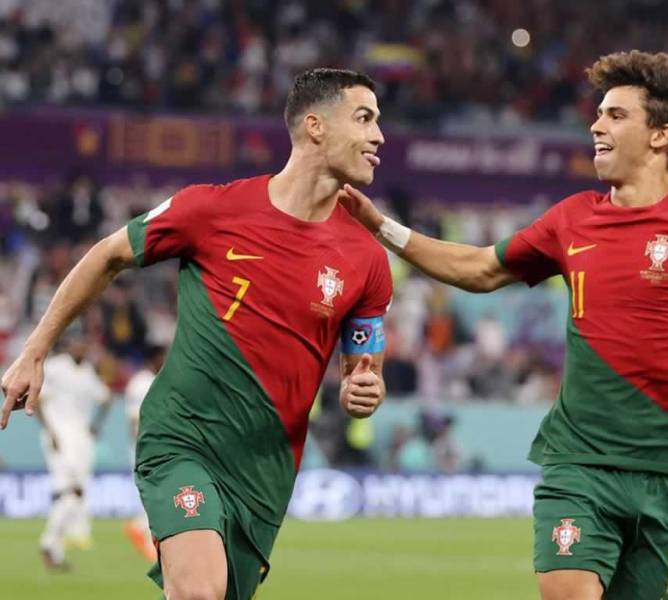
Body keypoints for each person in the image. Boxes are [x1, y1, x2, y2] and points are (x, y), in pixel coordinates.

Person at [339, 50, 668, 599]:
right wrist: (380, 226)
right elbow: (480, 269)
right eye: (599, 113)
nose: (596, 125)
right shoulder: (573, 218)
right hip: (577, 464)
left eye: (615, 115)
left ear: (660, 135)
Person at [1, 68, 392, 600]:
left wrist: (364, 390)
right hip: (182, 438)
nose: (379, 137)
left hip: (266, 469)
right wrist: (34, 351)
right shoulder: (213, 209)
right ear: (316, 127)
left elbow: (363, 370)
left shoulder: (367, 259)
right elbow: (108, 255)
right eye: (364, 119)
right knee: (198, 593)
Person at [37, 332, 111, 570]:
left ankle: (52, 547)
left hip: (81, 437)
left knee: (75, 492)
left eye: (83, 344)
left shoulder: (88, 372)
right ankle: (49, 543)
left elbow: (106, 399)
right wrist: (50, 431)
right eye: (77, 344)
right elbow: (38, 399)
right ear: (69, 346)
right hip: (60, 434)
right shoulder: (56, 368)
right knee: (69, 490)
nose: (80, 348)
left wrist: (95, 426)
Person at [123, 343, 166, 562]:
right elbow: (134, 419)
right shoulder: (142, 383)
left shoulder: (154, 380)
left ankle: (147, 534)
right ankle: (140, 529)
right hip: (145, 447)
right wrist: (143, 448)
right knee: (152, 494)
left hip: (155, 446)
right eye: (163, 357)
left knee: (159, 495)